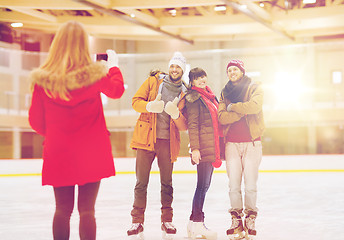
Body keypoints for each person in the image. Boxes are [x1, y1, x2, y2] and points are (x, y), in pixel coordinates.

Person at [28, 21, 125, 240]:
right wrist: (113, 67)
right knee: (87, 211)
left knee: (62, 210)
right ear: (83, 45)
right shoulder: (95, 75)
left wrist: (56, 134)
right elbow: (117, 90)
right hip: (91, 152)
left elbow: (35, 122)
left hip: (58, 153)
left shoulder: (43, 81)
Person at [127, 52, 188, 238]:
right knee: (141, 183)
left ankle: (167, 220)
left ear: (182, 70)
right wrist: (148, 106)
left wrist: (176, 115)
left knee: (167, 183)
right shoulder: (153, 82)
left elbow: (184, 125)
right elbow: (135, 101)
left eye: (178, 67)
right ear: (169, 67)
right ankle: (137, 222)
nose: (174, 69)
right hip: (146, 139)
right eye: (172, 66)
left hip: (167, 142)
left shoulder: (185, 92)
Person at [218, 60, 265, 240]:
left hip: (252, 143)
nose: (232, 72)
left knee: (251, 184)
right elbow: (222, 117)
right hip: (231, 144)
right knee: (234, 186)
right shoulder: (224, 92)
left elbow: (255, 106)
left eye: (235, 69)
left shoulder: (254, 88)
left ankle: (251, 217)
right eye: (229, 70)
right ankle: (236, 220)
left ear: (242, 71)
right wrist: (242, 111)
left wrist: (233, 107)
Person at [185, 67, 223, 240]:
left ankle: (193, 223)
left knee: (204, 186)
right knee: (202, 186)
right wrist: (195, 148)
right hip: (203, 148)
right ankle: (198, 223)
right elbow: (193, 125)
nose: (201, 80)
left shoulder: (209, 96)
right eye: (197, 78)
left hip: (212, 146)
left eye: (203, 76)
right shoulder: (193, 98)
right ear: (192, 82)